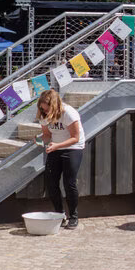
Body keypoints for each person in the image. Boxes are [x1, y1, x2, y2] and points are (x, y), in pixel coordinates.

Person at [36, 89, 85, 229]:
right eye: (42, 109)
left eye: (46, 109)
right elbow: (47, 135)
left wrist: (57, 145)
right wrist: (39, 140)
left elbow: (75, 138)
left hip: (73, 147)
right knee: (51, 182)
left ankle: (73, 216)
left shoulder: (68, 113)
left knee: (69, 183)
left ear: (54, 105)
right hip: (56, 147)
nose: (44, 112)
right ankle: (60, 214)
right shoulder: (43, 114)